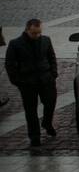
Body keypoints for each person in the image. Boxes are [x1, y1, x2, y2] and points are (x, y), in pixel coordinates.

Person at [4, 19, 58, 147]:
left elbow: (52, 57)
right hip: (27, 82)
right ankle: (34, 136)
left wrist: (53, 73)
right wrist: (17, 81)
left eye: (39, 32)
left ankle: (47, 122)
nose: (37, 36)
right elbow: (10, 64)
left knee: (50, 102)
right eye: (34, 33)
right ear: (27, 30)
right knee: (30, 110)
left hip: (46, 79)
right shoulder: (15, 44)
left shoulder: (46, 40)